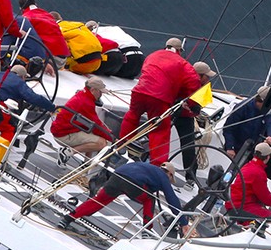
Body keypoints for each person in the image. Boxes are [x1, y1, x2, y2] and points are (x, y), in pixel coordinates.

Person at [118, 37, 203, 166]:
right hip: (159, 98)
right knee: (160, 130)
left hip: (139, 91)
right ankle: (157, 165)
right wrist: (191, 104)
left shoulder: (152, 55)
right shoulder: (183, 63)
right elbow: (194, 83)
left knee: (132, 115)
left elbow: (146, 71)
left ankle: (121, 145)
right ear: (179, 50)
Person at [59, 161, 191, 236]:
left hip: (117, 176)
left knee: (99, 200)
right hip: (132, 183)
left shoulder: (146, 167)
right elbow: (172, 199)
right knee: (149, 200)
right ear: (168, 173)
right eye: (170, 177)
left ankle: (67, 218)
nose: (169, 180)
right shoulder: (162, 176)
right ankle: (146, 231)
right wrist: (184, 222)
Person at [0, 64, 55, 141]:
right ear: (22, 77)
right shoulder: (19, 82)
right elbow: (33, 98)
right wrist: (51, 107)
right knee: (10, 127)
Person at [173, 61, 216, 183]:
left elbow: (198, 109)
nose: (209, 79)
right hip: (173, 112)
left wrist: (192, 109)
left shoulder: (206, 89)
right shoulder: (182, 80)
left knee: (189, 146)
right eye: (207, 76)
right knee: (159, 133)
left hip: (186, 118)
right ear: (199, 75)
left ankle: (191, 176)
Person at [51, 76, 114, 158]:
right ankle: (67, 153)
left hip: (61, 129)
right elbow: (96, 125)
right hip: (64, 135)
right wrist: (112, 137)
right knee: (101, 143)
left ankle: (86, 162)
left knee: (94, 134)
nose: (101, 95)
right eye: (100, 92)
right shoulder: (86, 103)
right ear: (93, 90)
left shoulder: (82, 94)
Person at [225, 142, 271, 219]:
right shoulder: (259, 173)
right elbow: (265, 198)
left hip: (233, 203)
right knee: (270, 216)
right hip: (241, 206)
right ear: (268, 157)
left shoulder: (247, 165)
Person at [223, 85, 271, 159]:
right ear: (261, 101)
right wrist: (230, 147)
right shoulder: (243, 107)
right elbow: (228, 128)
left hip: (251, 151)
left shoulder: (268, 111)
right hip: (235, 148)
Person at [18, 0, 69, 68]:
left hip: (51, 59)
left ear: (21, 9)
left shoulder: (26, 18)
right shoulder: (47, 14)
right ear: (35, 4)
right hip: (63, 59)